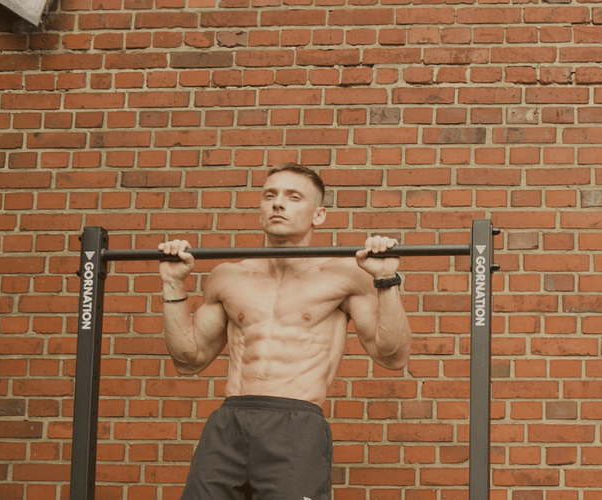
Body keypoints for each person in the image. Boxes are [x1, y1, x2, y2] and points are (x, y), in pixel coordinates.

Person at [156, 163, 412, 500]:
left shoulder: (344, 276)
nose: (278, 203)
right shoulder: (228, 277)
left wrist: (385, 281)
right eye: (270, 195)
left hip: (296, 425)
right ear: (261, 209)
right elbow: (188, 359)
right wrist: (173, 283)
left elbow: (392, 356)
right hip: (229, 422)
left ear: (318, 215)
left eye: (293, 197)